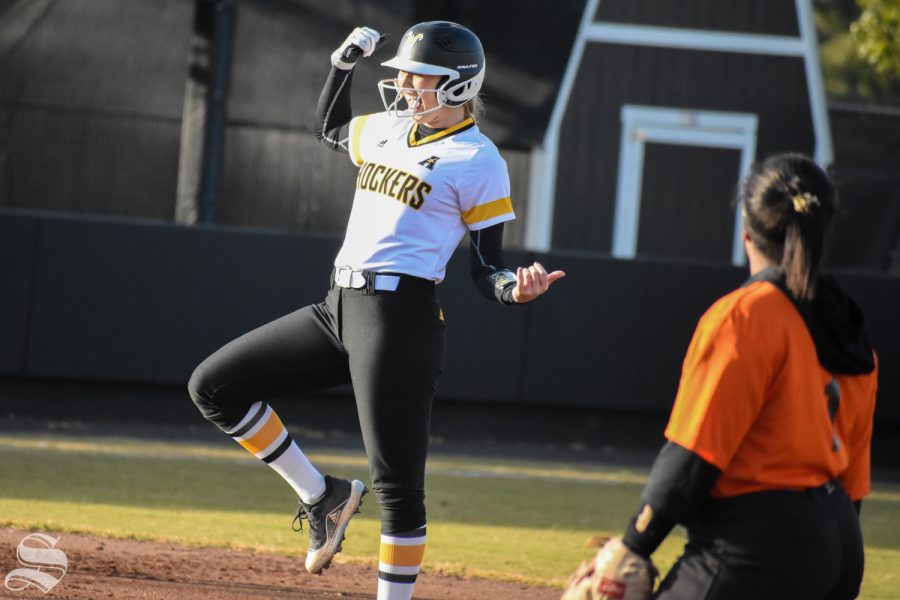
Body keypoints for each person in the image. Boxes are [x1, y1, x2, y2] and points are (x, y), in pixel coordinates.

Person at [188, 20, 564, 600]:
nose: (406, 85)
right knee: (213, 386)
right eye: (405, 75)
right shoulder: (389, 128)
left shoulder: (477, 157)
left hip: (399, 318)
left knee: (397, 487)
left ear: (460, 85)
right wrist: (341, 67)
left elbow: (487, 269)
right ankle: (322, 496)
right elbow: (329, 127)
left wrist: (516, 287)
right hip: (335, 306)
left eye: (420, 77)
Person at [563, 153, 877, 600]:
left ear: (746, 231)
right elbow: (854, 486)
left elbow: (692, 458)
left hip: (758, 544)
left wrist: (634, 543)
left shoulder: (745, 315)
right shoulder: (847, 327)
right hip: (840, 544)